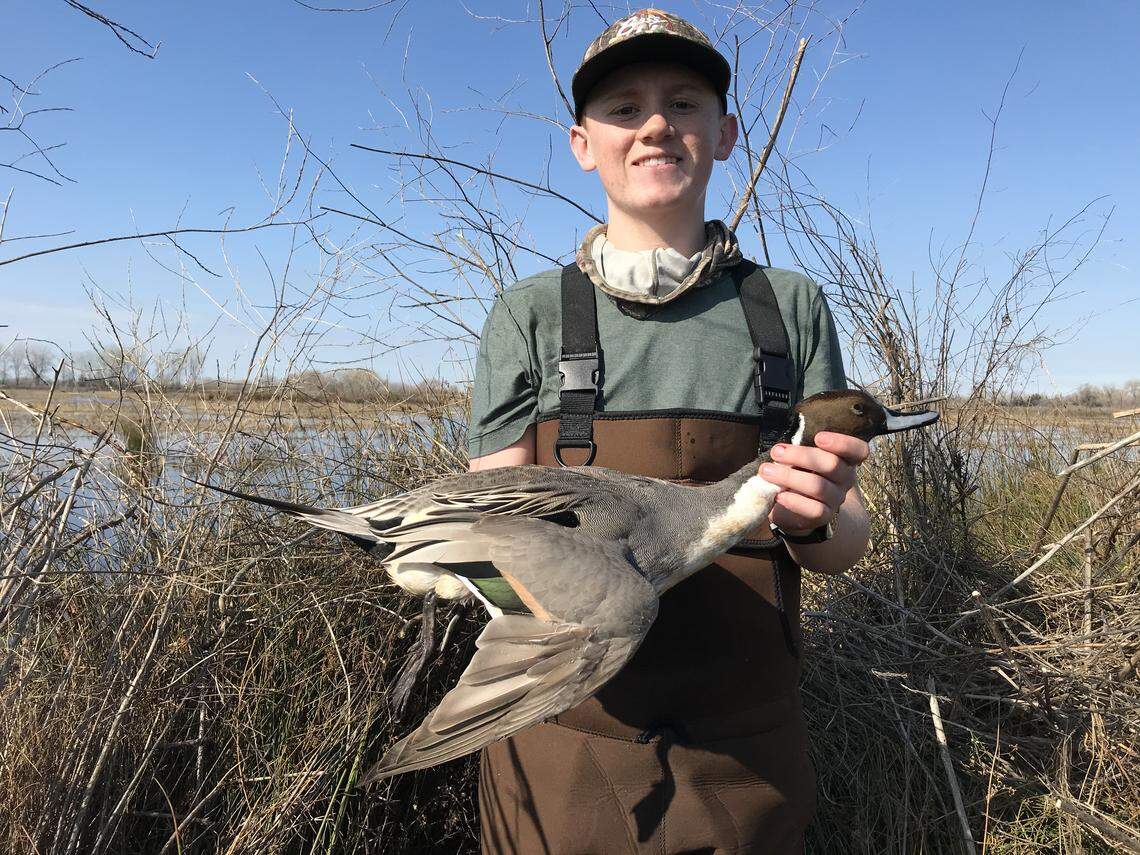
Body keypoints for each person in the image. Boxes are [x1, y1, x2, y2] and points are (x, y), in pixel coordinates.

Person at [466, 9, 870, 853]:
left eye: (684, 103)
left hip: (744, 759)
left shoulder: (788, 308)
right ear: (582, 143)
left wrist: (814, 517)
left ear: (724, 135)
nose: (656, 125)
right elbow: (488, 535)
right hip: (561, 748)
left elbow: (844, 539)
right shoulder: (528, 316)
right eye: (624, 108)